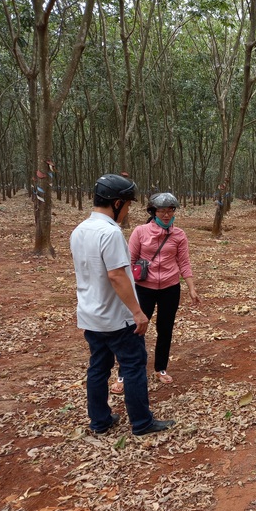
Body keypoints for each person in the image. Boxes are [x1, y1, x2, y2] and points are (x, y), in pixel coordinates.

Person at [70, 174, 175, 436]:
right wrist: (137, 313)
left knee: (98, 367)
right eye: (127, 205)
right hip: (117, 317)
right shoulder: (110, 232)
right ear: (117, 203)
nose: (127, 211)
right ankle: (141, 422)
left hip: (90, 314)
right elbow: (116, 275)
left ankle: (100, 421)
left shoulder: (79, 230)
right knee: (134, 365)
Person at [111, 192, 199, 393]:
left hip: (170, 288)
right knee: (135, 329)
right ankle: (124, 373)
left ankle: (160, 368)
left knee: (165, 329)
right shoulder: (140, 232)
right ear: (153, 212)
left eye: (170, 211)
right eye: (162, 211)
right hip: (144, 289)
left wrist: (191, 287)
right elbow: (129, 261)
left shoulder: (179, 235)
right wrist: (127, 289)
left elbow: (184, 263)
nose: (167, 215)